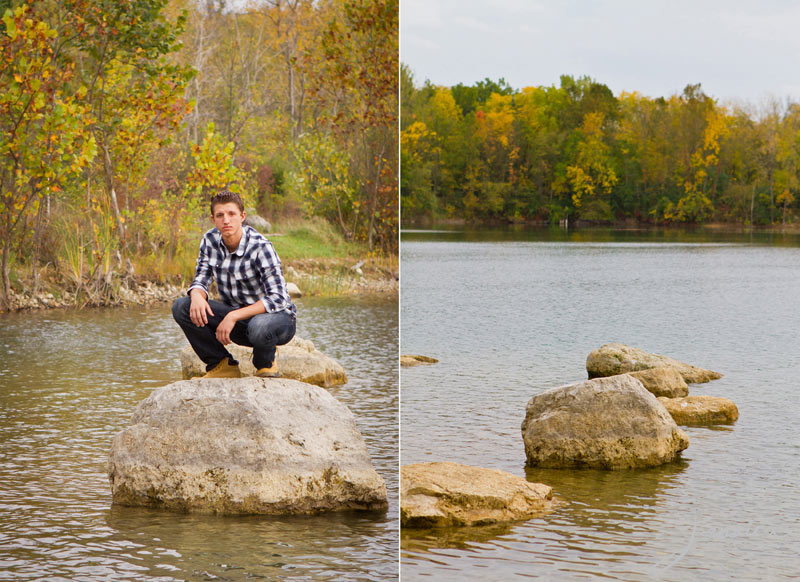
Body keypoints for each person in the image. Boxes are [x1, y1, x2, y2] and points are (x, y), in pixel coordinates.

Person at [172, 190, 296, 379]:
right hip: (238, 320)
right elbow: (202, 278)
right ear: (213, 219)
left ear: (242, 216)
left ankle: (265, 363)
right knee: (182, 307)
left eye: (231, 214)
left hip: (276, 320)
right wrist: (196, 295)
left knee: (259, 326)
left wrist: (232, 316)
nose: (226, 220)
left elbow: (278, 298)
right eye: (220, 215)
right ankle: (223, 364)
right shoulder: (210, 240)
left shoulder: (261, 247)